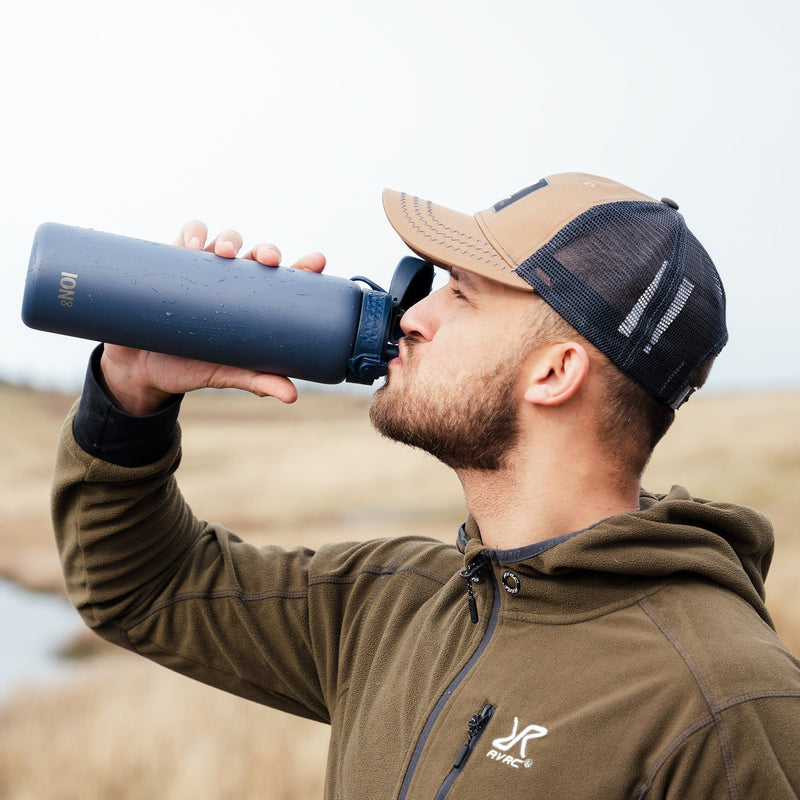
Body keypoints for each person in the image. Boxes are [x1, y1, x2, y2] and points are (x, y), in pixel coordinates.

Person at [52, 173, 800, 798]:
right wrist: (131, 392)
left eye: (462, 294)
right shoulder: (394, 602)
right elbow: (143, 587)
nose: (411, 315)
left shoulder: (726, 704)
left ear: (555, 372)